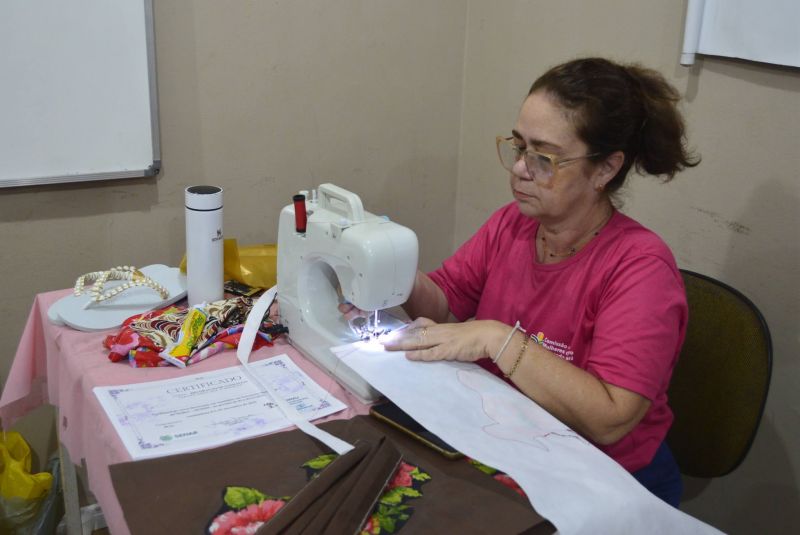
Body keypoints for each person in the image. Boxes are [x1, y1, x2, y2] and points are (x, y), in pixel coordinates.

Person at [343, 57, 699, 507]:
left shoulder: (640, 269)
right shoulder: (512, 225)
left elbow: (611, 417)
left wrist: (496, 338)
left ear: (606, 169)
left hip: (608, 479)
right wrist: (391, 270)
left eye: (544, 158)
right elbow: (444, 305)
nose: (519, 170)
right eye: (518, 147)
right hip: (513, 440)